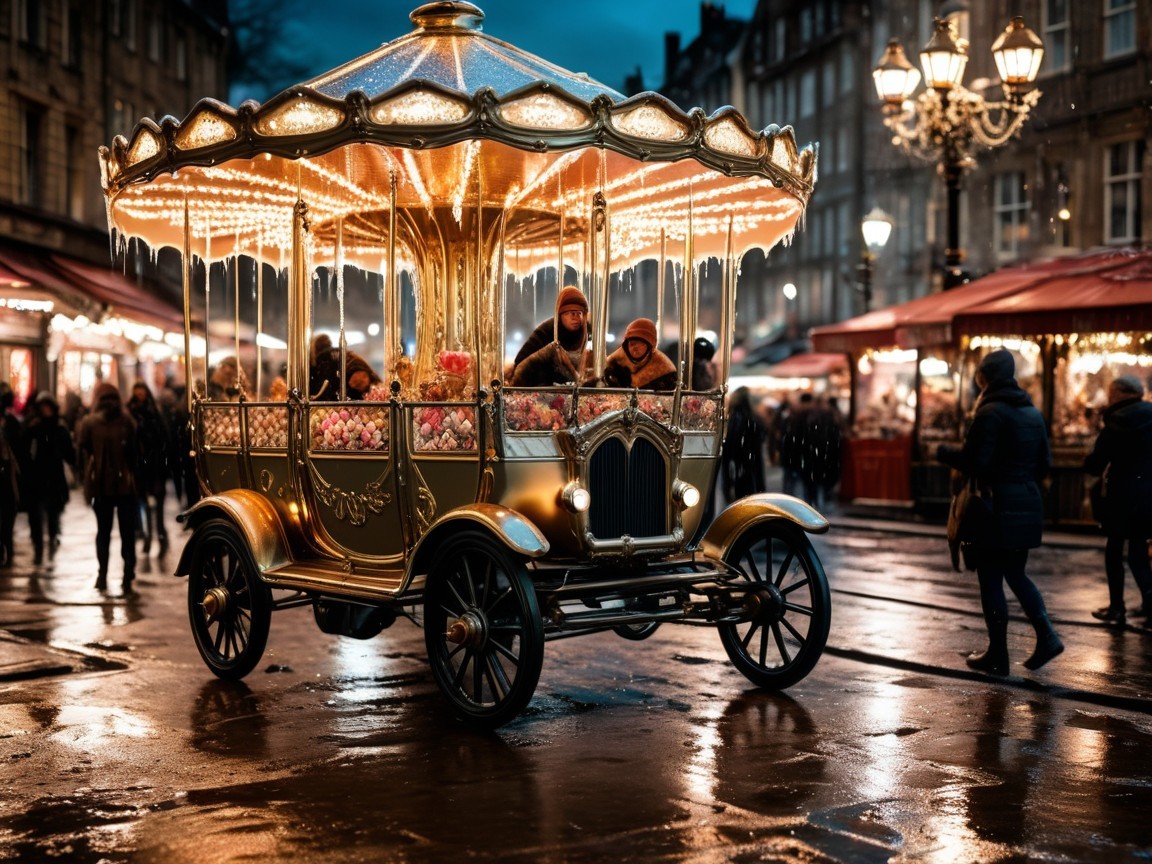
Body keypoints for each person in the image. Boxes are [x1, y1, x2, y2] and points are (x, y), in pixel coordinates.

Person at [937, 349, 1062, 675]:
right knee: (1016, 573)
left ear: (983, 378)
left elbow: (975, 462)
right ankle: (1046, 635)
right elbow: (1045, 465)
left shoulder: (989, 412)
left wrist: (944, 453)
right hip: (1026, 503)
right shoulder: (1033, 413)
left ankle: (998, 654)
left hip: (994, 507)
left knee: (991, 578)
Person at [1083, 375, 1152, 624]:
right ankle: (1149, 602)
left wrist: (1088, 461)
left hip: (1122, 496)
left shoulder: (1117, 420)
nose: (1109, 397)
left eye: (1112, 392)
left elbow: (1096, 462)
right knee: (1139, 550)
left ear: (1122, 393)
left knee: (1114, 549)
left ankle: (1116, 606)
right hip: (1148, 494)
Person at [77, 383, 139, 592]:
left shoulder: (90, 422)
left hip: (100, 484)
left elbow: (82, 449)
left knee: (103, 531)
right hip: (124, 484)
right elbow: (135, 453)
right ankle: (127, 573)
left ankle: (102, 575)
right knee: (126, 532)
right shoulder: (127, 421)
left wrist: (86, 473)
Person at [21, 392, 76, 566]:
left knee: (53, 510)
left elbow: (68, 452)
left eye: (48, 407)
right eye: (42, 407)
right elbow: (23, 448)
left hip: (54, 476)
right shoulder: (33, 427)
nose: (45, 410)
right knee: (35, 513)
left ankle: (53, 535)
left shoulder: (59, 428)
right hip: (35, 476)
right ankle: (38, 543)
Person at [511, 285, 594, 387]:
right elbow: (520, 363)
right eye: (571, 313)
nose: (576, 318)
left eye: (579, 313)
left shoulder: (588, 334)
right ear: (561, 315)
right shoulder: (545, 331)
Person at [127, 381, 170, 556]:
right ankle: (147, 537)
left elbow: (164, 439)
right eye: (137, 393)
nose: (140, 395)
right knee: (143, 503)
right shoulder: (129, 413)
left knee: (158, 505)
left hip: (155, 465)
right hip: (139, 466)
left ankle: (160, 536)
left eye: (142, 392)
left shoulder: (154, 413)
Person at [719, 387, 767, 504]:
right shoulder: (751, 418)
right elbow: (757, 447)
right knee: (749, 501)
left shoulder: (732, 419)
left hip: (736, 465)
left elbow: (728, 447)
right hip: (749, 465)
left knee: (738, 502)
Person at [602, 318, 677, 391]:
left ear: (650, 347)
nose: (635, 348)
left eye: (641, 344)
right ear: (625, 345)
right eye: (632, 344)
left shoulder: (664, 369)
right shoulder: (614, 362)